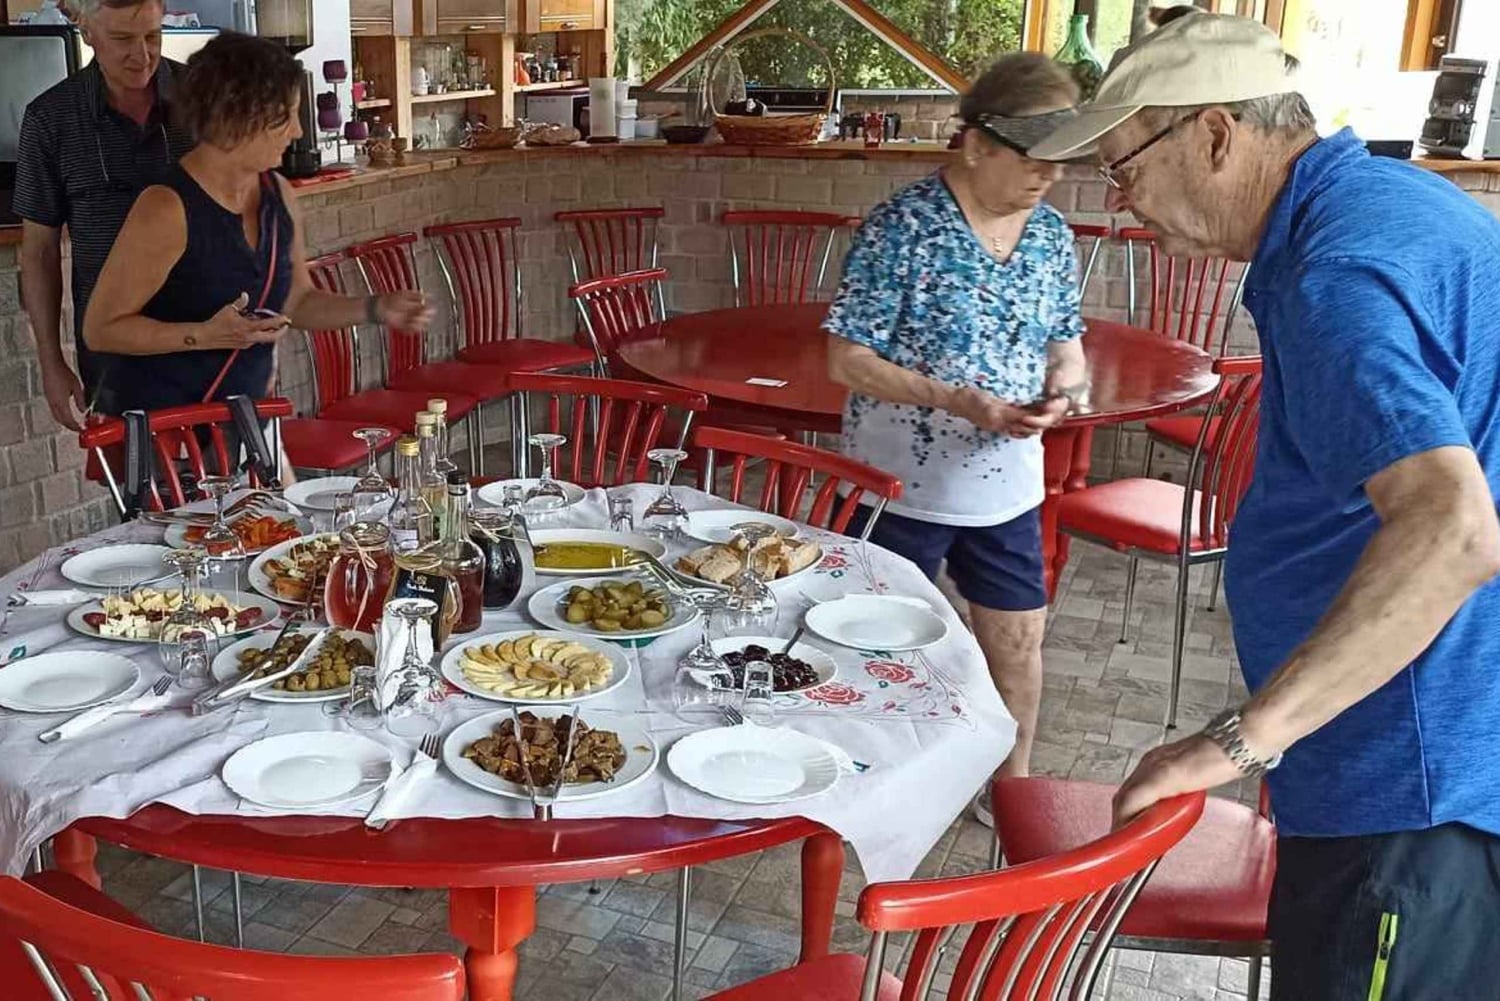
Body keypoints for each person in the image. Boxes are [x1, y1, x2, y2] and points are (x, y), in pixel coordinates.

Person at [1030, 14, 1500, 998]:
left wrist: (1242, 737)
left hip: (1408, 787)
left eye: (1125, 167)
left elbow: (1452, 528)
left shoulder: (1335, 272)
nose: (1122, 204)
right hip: (1431, 742)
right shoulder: (1386, 199)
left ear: (1214, 134)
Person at [825, 53, 1089, 819]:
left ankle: (1013, 783)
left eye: (1058, 164)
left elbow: (1066, 343)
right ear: (976, 143)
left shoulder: (1049, 237)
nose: (1048, 179)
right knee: (877, 647)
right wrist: (954, 400)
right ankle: (871, 776)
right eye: (1033, 161)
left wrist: (1064, 392)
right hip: (897, 481)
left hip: (1005, 483)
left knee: (1017, 641)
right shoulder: (903, 227)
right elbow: (847, 358)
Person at [82, 32, 431, 417]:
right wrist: (204, 336)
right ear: (238, 116)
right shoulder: (166, 208)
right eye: (284, 117)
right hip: (169, 439)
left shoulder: (277, 193)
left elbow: (295, 302)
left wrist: (376, 309)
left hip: (246, 423)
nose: (297, 132)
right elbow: (101, 329)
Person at [13, 0, 193, 430]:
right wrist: (52, 363)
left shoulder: (207, 99)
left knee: (238, 494)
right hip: (116, 364)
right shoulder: (50, 120)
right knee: (139, 493)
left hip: (214, 348)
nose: (142, 54)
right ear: (86, 31)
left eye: (152, 35)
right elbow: (38, 253)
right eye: (122, 39)